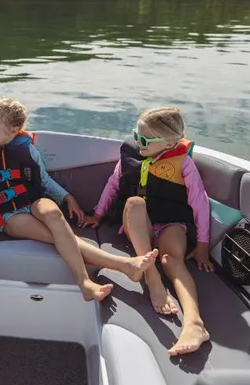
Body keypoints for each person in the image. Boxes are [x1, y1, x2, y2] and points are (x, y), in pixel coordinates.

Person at [0, 97, 157, 302]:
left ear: (14, 130)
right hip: (9, 213)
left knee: (54, 215)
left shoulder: (28, 150)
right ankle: (96, 277)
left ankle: (123, 267)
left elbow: (43, 179)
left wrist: (68, 197)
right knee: (58, 237)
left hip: (34, 199)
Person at [83, 106, 212, 355]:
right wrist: (97, 214)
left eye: (145, 139)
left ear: (170, 142)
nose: (138, 143)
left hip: (170, 222)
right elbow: (113, 184)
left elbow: (199, 202)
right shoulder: (132, 154)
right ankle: (152, 279)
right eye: (136, 135)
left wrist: (203, 247)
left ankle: (195, 323)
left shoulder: (183, 163)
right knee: (134, 202)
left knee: (171, 260)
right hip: (138, 222)